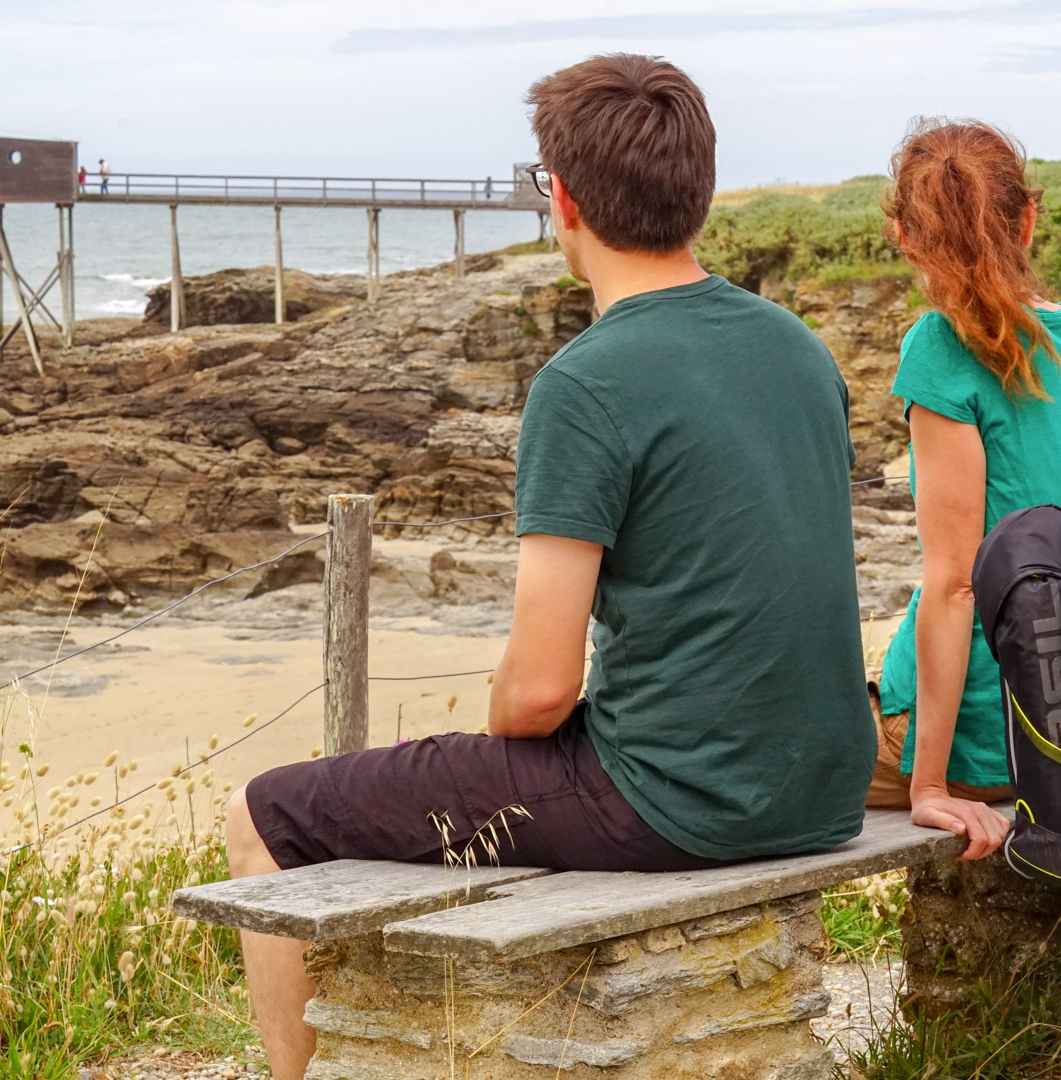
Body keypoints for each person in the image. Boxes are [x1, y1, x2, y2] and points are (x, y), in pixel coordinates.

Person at [223, 54, 875, 1080]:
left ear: (561, 200)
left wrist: (508, 744)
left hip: (680, 799)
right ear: (696, 188)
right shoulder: (796, 348)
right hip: (822, 781)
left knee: (265, 814)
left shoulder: (586, 382)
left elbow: (534, 694)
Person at [868, 119, 1061, 860]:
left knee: (769, 745)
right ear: (1028, 219)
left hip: (996, 735)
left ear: (904, 235)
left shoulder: (939, 347)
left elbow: (954, 587)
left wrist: (930, 787)